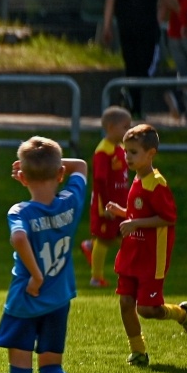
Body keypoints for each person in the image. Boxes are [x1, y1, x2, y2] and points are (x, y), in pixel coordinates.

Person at [0, 137, 90, 373]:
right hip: (58, 302)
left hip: (26, 302)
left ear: (22, 177)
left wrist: (35, 276)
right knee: (52, 367)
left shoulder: (21, 210)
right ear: (60, 174)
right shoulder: (69, 203)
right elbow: (81, 166)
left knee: (20, 372)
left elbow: (19, 237)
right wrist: (54, 165)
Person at [106, 123, 187, 365]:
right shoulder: (137, 179)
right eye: (126, 151)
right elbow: (139, 212)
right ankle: (138, 351)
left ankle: (182, 314)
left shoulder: (157, 183)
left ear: (151, 153)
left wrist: (135, 223)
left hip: (152, 257)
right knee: (126, 302)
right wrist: (122, 212)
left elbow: (167, 218)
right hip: (132, 253)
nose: (128, 157)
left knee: (148, 309)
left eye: (133, 152)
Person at [101, 0, 166, 117]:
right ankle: (132, 98)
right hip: (147, 27)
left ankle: (134, 106)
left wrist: (107, 26)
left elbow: (110, 0)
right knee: (148, 66)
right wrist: (180, 10)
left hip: (126, 26)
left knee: (132, 66)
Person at [80, 105, 132, 288]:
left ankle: (90, 246)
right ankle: (96, 278)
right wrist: (106, 206)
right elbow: (100, 180)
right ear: (110, 127)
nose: (128, 131)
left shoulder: (121, 148)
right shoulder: (103, 151)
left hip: (121, 203)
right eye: (125, 127)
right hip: (106, 204)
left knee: (122, 236)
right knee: (104, 239)